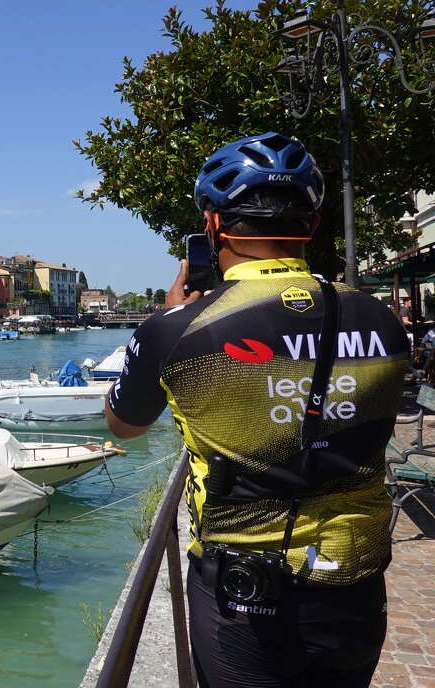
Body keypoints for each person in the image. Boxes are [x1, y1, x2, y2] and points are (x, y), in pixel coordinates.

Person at [104, 132, 409, 688]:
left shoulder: (176, 332)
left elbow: (124, 425)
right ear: (312, 227)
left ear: (212, 224)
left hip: (242, 595)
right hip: (355, 581)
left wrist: (167, 323)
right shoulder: (381, 321)